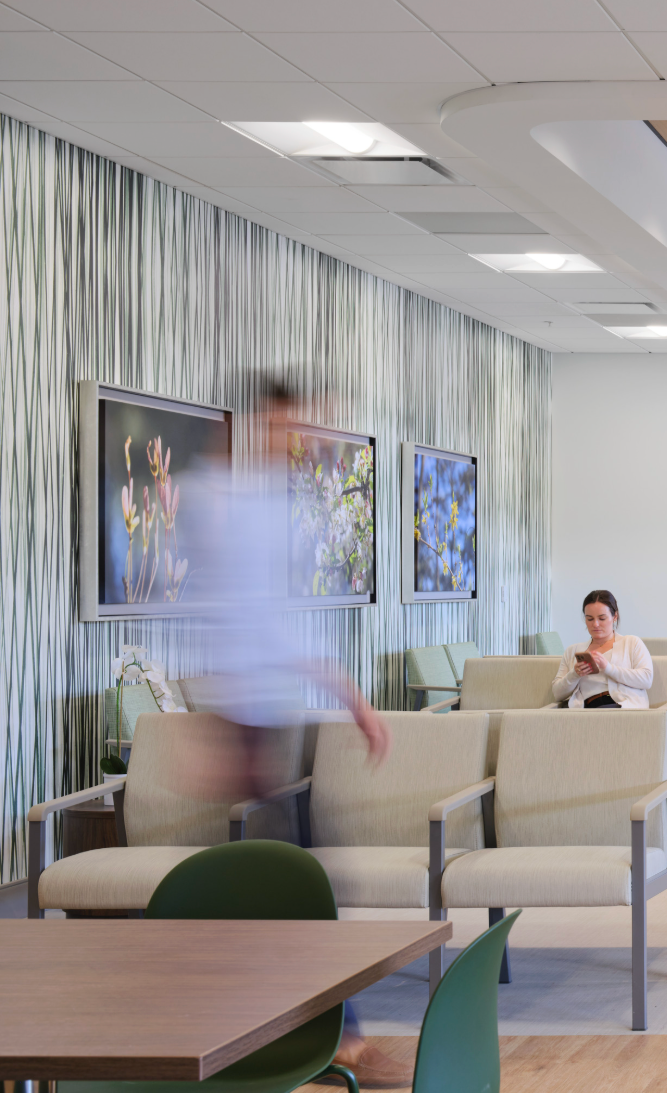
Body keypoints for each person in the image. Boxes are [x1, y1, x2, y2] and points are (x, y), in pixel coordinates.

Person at [187, 373, 401, 1088]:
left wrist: (346, 694)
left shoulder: (268, 507)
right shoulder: (219, 501)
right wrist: (222, 732)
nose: (302, 443)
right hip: (246, 726)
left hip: (266, 723)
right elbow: (242, 623)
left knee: (289, 891)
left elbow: (273, 624)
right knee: (298, 891)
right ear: (261, 425)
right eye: (292, 428)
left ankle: (300, 1036)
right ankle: (334, 1041)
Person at [551, 590, 654, 708]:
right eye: (590, 619)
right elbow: (557, 693)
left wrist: (608, 668)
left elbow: (646, 680)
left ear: (615, 616)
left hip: (622, 706)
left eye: (602, 618)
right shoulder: (573, 651)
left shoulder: (631, 642)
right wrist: (574, 674)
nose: (595, 624)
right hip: (588, 708)